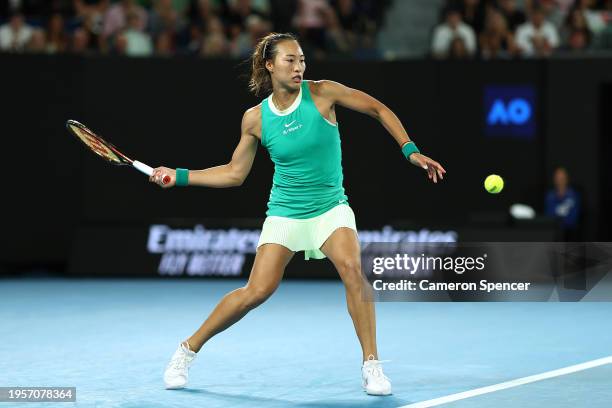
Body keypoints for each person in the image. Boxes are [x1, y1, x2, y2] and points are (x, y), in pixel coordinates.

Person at [151, 32, 446, 396]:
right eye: (290, 60)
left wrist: (410, 150)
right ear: (269, 65)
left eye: (302, 59)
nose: (299, 66)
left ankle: (372, 366)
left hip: (330, 207)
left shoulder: (323, 92)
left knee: (353, 269)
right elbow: (233, 173)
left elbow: (378, 109)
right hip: (286, 213)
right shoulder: (255, 118)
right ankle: (186, 350)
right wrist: (178, 176)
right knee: (256, 291)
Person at [545, 167, 581, 241]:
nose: (560, 181)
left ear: (567, 179)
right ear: (554, 180)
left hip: (570, 234)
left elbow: (573, 219)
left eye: (562, 178)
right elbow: (548, 215)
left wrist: (560, 221)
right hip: (553, 233)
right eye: (557, 178)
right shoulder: (550, 196)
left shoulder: (573, 195)